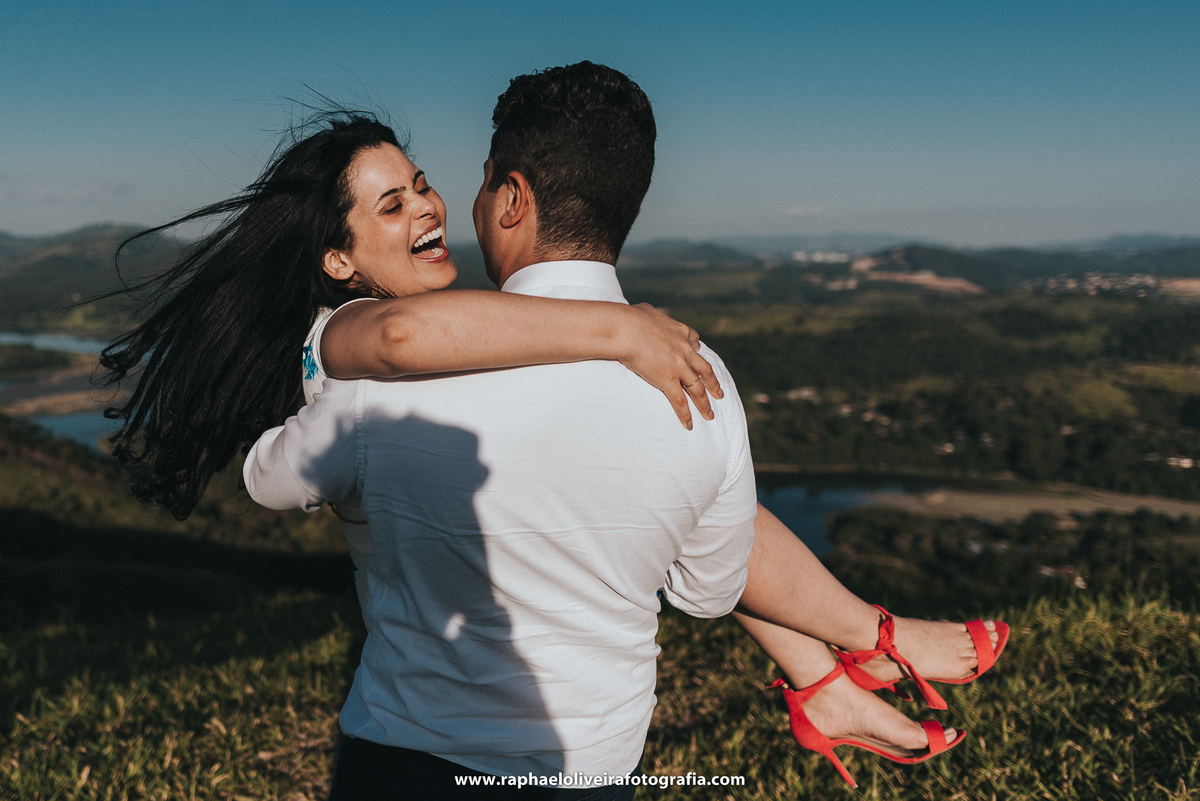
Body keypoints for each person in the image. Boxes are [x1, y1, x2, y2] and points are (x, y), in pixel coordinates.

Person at [243, 62, 1006, 797]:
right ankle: (862, 648)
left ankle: (847, 661)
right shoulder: (678, 367)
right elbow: (711, 581)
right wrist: (615, 332)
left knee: (687, 500)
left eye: (424, 186)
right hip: (596, 766)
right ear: (337, 260)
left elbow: (283, 467)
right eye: (392, 205)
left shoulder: (391, 393)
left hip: (413, 756)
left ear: (511, 198)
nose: (430, 207)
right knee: (692, 494)